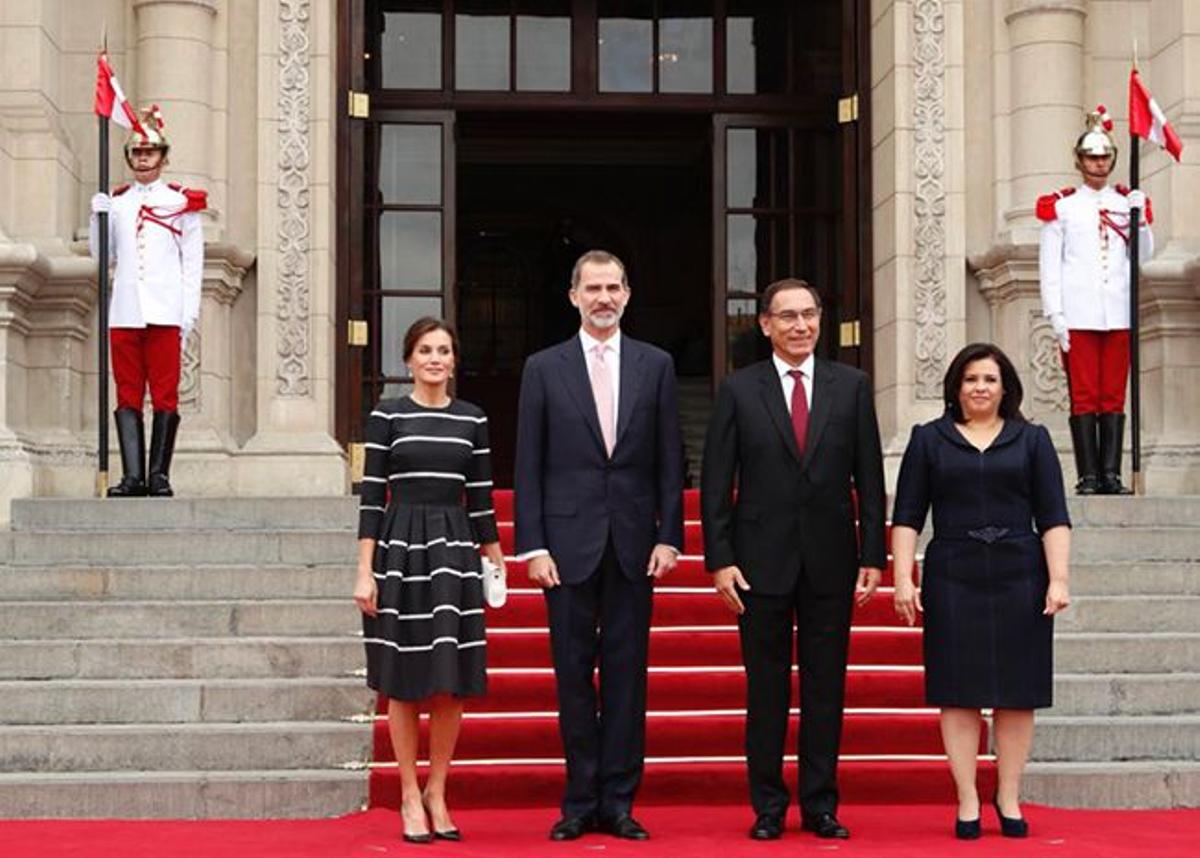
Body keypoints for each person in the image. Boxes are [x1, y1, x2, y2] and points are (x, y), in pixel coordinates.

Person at [700, 278, 886, 841]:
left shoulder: (850, 386)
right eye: (787, 317)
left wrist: (873, 551)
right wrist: (719, 559)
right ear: (765, 325)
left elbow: (870, 478)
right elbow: (716, 482)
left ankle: (821, 803)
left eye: (808, 315)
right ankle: (768, 806)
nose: (800, 326)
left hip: (832, 559)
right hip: (759, 564)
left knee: (827, 687)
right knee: (767, 688)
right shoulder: (738, 390)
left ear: (820, 320)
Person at [514, 249, 684, 842]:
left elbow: (671, 460)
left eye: (613, 287)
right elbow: (528, 463)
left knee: (626, 678)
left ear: (628, 294)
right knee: (571, 678)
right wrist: (531, 545)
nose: (604, 297)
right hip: (564, 548)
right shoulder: (543, 367)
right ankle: (578, 800)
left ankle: (618, 801)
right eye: (593, 288)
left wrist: (670, 536)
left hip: (636, 546)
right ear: (573, 296)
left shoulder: (656, 364)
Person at [891, 342, 1072, 840]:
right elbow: (907, 515)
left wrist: (1059, 578)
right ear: (956, 386)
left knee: (1018, 694)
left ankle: (1008, 794)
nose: (980, 388)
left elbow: (1054, 515)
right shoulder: (928, 440)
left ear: (1005, 387)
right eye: (971, 379)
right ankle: (968, 796)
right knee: (959, 692)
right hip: (954, 574)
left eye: (989, 379)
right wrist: (903, 577)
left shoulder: (1032, 440)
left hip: (1021, 575)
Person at [353, 317, 506, 844]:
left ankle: (438, 791)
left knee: (450, 679)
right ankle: (407, 794)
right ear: (409, 360)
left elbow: (481, 499)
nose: (435, 358)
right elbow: (372, 497)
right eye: (425, 350)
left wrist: (495, 559)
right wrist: (363, 572)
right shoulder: (387, 415)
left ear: (454, 360)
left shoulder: (472, 419)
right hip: (400, 549)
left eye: (444, 350)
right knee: (401, 679)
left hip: (455, 550)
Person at [89, 106, 206, 497]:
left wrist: (187, 316)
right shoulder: (118, 201)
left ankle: (159, 474)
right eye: (137, 153)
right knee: (127, 392)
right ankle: (132, 475)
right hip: (125, 310)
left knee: (165, 393)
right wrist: (97, 219)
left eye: (150, 152)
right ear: (129, 158)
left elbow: (193, 264)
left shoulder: (179, 203)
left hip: (164, 310)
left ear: (163, 157)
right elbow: (102, 257)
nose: (143, 158)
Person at [1038, 104, 1153, 495]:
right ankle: (1088, 475)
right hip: (1079, 314)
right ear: (1079, 160)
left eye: (1105, 156)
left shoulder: (1125, 203)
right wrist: (1056, 316)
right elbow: (1050, 267)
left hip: (1117, 312)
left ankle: (1111, 474)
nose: (1099, 163)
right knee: (1084, 395)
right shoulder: (1063, 207)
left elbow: (1142, 256)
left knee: (1113, 395)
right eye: (1092, 156)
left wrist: (1142, 219)